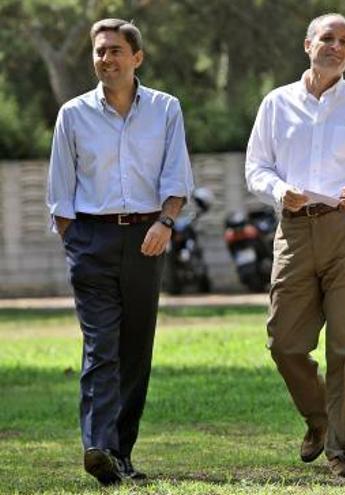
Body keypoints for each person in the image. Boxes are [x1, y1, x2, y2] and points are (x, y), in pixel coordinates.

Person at [244, 13, 345, 478]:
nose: (335, 46)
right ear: (307, 44)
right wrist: (277, 191)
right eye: (327, 38)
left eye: (344, 42)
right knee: (284, 341)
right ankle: (319, 418)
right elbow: (256, 168)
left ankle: (340, 451)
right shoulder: (276, 104)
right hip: (294, 228)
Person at [45, 18, 194, 486]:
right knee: (100, 348)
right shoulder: (73, 113)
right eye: (99, 51)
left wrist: (164, 223)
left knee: (135, 350)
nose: (105, 59)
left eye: (114, 50)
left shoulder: (166, 109)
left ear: (136, 57)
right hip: (91, 240)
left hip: (148, 239)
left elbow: (177, 178)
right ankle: (98, 447)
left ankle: (120, 452)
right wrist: (76, 239)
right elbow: (59, 190)